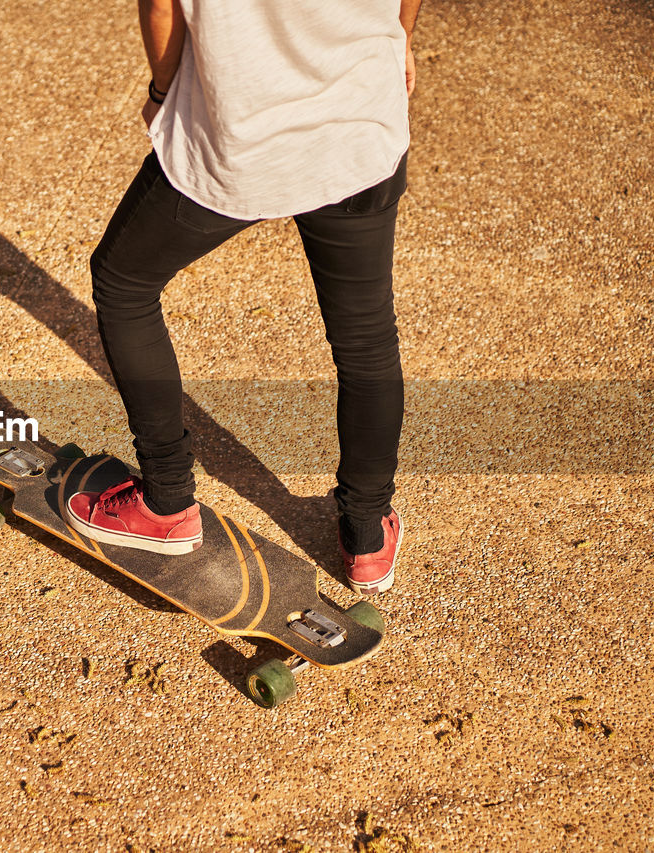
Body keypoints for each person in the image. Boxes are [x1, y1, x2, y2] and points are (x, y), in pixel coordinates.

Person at [67, 0, 422, 595]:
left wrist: (161, 90)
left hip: (241, 140)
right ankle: (366, 533)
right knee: (364, 336)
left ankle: (165, 501)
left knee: (124, 282)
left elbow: (162, 7)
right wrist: (399, 42)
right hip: (360, 127)